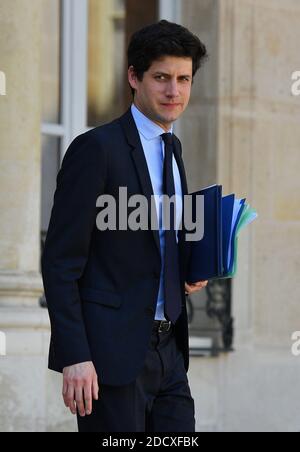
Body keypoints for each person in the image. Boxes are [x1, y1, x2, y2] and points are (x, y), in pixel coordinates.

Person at [42, 20, 208, 432]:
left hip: (170, 354)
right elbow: (61, 263)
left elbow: (150, 247)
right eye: (162, 78)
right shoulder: (95, 149)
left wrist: (186, 271)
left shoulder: (174, 150)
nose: (174, 91)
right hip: (108, 358)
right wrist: (74, 355)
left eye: (184, 79)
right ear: (134, 77)